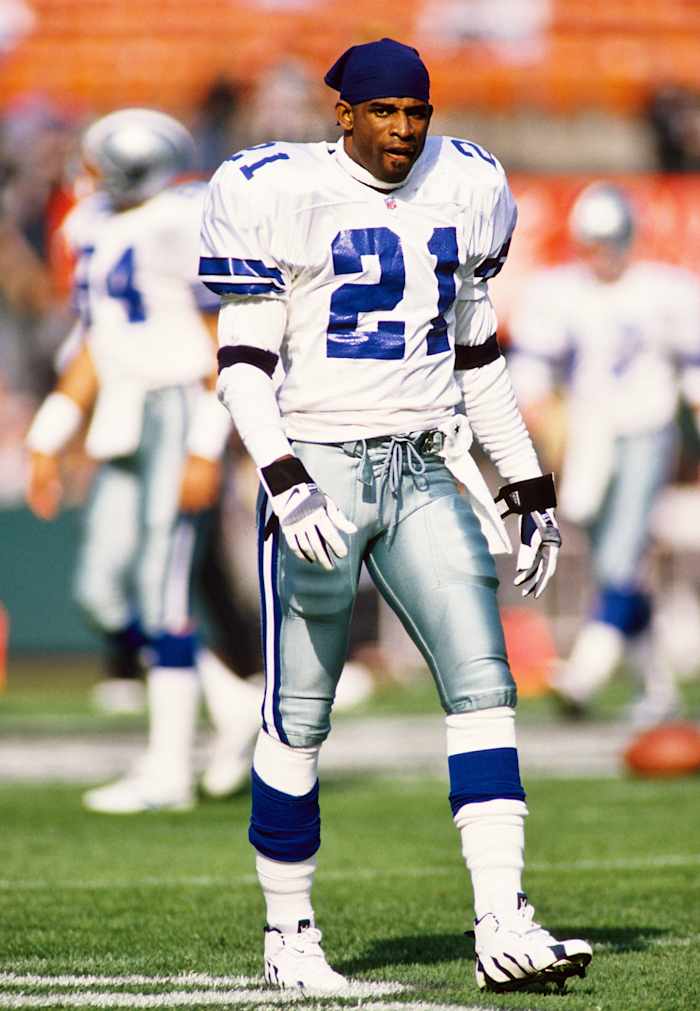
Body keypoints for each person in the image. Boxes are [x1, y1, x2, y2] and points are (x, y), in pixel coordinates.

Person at [201, 37, 592, 995]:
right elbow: (243, 364)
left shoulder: (466, 186)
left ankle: (501, 919)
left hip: (424, 464)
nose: (404, 131)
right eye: (384, 113)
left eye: (417, 113)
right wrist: (286, 477)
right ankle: (289, 933)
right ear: (343, 113)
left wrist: (524, 480)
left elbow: (477, 355)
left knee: (484, 683)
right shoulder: (274, 189)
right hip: (322, 466)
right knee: (298, 710)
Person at [25, 107, 260, 812]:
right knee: (103, 589)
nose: (87, 171)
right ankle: (234, 706)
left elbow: (225, 337)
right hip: (126, 411)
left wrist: (205, 443)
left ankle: (167, 769)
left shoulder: (182, 219)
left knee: (163, 595)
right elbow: (99, 342)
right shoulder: (94, 224)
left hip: (179, 407)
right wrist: (50, 429)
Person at [509, 181, 700, 728]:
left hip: (649, 427)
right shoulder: (559, 291)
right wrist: (546, 429)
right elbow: (533, 374)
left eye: (611, 240)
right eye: (593, 242)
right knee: (613, 563)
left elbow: (693, 370)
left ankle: (585, 673)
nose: (603, 254)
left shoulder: (665, 290)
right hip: (589, 437)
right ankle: (658, 689)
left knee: (620, 556)